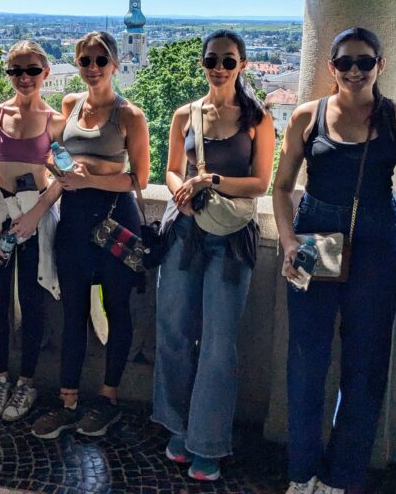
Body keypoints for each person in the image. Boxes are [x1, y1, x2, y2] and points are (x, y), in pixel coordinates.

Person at [272, 27, 396, 494]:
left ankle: (342, 477)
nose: (354, 71)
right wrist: (288, 241)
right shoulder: (307, 116)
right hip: (316, 237)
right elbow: (282, 187)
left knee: (365, 365)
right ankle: (302, 473)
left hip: (377, 239)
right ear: (331, 67)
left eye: (364, 61)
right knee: (306, 361)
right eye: (345, 62)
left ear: (380, 65)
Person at [152, 30, 275, 481]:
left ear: (242, 64)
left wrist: (211, 181)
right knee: (173, 330)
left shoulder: (257, 118)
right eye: (212, 60)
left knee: (219, 343)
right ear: (202, 63)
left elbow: (261, 183)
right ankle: (179, 427)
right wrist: (180, 192)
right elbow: (170, 169)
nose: (219, 68)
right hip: (184, 231)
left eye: (228, 60)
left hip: (230, 236)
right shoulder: (185, 114)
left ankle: (207, 442)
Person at [31, 31, 150, 440]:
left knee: (117, 309)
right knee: (73, 313)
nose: (93, 68)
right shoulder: (70, 104)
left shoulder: (130, 115)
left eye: (101, 60)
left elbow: (139, 179)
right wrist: (60, 168)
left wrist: (90, 176)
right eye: (85, 60)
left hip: (115, 221)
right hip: (75, 221)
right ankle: (68, 401)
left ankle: (107, 398)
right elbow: (58, 153)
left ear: (115, 64)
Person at [0, 40, 65, 423]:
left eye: (31, 70)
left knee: (32, 302)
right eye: (15, 70)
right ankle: (0, 378)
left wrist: (38, 213)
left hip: (35, 218)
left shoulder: (55, 121)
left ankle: (26, 381)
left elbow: (64, 175)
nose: (23, 77)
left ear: (45, 72)